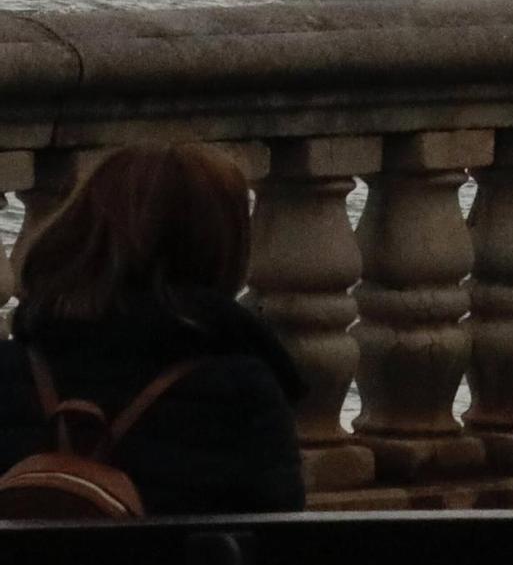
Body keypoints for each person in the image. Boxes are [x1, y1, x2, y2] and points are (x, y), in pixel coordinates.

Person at [0, 143, 304, 516]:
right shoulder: (242, 391)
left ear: (77, 228)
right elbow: (280, 547)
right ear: (223, 246)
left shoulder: (10, 371)